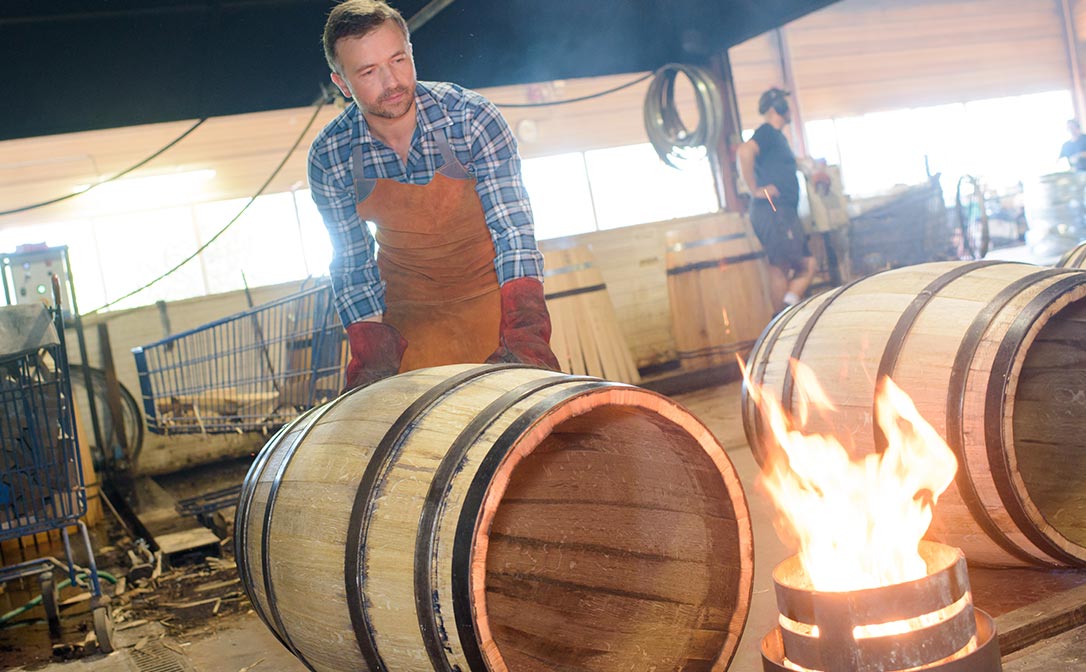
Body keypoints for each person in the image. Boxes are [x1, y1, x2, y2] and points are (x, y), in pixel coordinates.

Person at [308, 0, 559, 392]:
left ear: (411, 53)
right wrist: (372, 353)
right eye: (369, 72)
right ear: (342, 83)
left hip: (493, 306)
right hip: (410, 320)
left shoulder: (471, 119)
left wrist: (524, 332)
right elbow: (352, 265)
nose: (391, 82)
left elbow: (514, 233)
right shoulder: (331, 156)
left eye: (398, 60)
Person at [737, 87, 817, 312]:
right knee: (802, 265)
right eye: (785, 104)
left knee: (784, 266)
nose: (789, 109)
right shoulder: (768, 132)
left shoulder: (777, 138)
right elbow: (744, 152)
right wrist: (754, 189)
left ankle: (784, 315)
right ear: (777, 107)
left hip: (780, 210)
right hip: (774, 209)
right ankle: (784, 317)